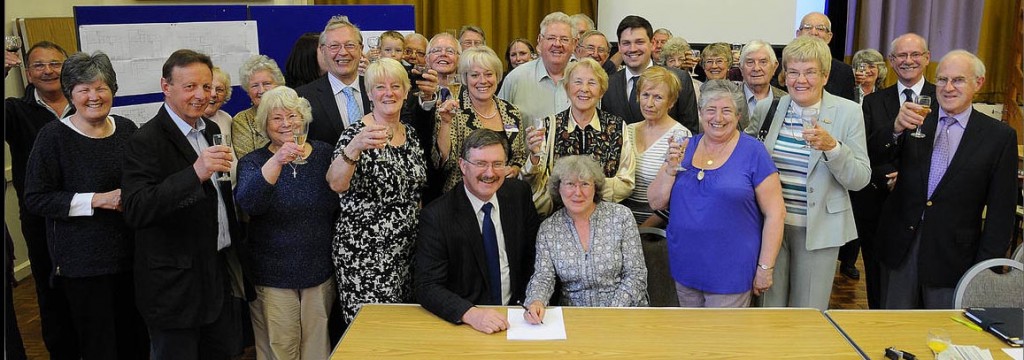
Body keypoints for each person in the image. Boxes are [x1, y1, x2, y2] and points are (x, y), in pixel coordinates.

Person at [122, 49, 246, 359]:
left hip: (216, 275)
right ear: (166, 86)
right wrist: (195, 173)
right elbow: (137, 208)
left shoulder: (213, 130)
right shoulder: (146, 140)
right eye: (190, 86)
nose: (202, 95)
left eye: (207, 86)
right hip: (174, 288)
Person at [24, 51, 147, 359]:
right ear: (71, 94)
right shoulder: (53, 137)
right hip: (83, 266)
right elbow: (37, 198)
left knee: (135, 340)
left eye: (101, 87)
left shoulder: (127, 129)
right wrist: (97, 200)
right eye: (84, 90)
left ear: (113, 91)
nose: (94, 96)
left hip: (132, 257)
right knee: (99, 345)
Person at [878, 50, 1017, 309]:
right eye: (942, 80)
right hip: (902, 249)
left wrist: (986, 269)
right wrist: (895, 128)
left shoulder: (998, 137)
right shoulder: (916, 120)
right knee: (893, 331)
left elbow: (1001, 211)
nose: (948, 87)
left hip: (955, 257)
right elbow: (876, 156)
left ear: (979, 83)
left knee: (943, 336)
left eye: (958, 80)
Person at [745, 36, 870, 310]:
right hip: (770, 228)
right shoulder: (769, 108)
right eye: (793, 72)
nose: (800, 80)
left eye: (810, 72)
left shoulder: (848, 112)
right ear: (784, 75)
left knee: (808, 313)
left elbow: (860, 178)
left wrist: (833, 148)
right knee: (769, 308)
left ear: (825, 76)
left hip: (820, 230)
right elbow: (745, 154)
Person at [648, 84, 785, 307]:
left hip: (732, 272)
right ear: (700, 114)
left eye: (727, 110)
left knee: (722, 339)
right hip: (686, 266)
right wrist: (670, 169)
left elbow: (776, 214)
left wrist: (765, 268)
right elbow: (655, 201)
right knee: (689, 336)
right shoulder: (683, 147)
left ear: (739, 115)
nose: (718, 117)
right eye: (711, 110)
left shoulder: (754, 152)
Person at [234, 86, 338, 359]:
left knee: (318, 347)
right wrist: (277, 161)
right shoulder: (253, 162)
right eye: (276, 118)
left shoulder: (324, 154)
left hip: (318, 269)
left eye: (292, 116)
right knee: (281, 347)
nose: (286, 124)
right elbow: (249, 204)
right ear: (264, 125)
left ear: (303, 119)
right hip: (273, 273)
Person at [326, 58, 427, 323]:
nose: (388, 93)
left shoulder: (412, 135)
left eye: (396, 86)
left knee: (403, 331)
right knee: (372, 332)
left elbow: (416, 193)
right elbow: (336, 183)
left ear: (406, 92)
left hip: (407, 253)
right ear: (369, 93)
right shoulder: (355, 134)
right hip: (366, 255)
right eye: (380, 87)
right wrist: (355, 148)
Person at [414, 129, 540, 334]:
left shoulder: (519, 194)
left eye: (497, 164)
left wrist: (536, 297)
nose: (490, 173)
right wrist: (471, 314)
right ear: (463, 165)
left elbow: (534, 256)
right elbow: (427, 286)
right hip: (468, 323)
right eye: (481, 164)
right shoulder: (437, 216)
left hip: (520, 319)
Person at [4, 40, 81, 360]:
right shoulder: (15, 110)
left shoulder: (86, 102)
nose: (48, 70)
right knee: (50, 293)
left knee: (88, 289)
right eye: (39, 65)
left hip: (88, 214)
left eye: (55, 63)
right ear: (27, 73)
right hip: (41, 220)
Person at [852, 33, 935, 308]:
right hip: (878, 205)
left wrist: (910, 176)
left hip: (923, 208)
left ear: (926, 58)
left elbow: (946, 149)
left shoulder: (942, 97)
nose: (908, 61)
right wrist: (895, 129)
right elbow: (867, 149)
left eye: (914, 55)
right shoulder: (875, 102)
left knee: (919, 283)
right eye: (901, 55)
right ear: (891, 61)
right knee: (878, 284)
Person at [523, 155, 648, 323]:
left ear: (595, 187)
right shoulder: (549, 228)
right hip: (575, 319)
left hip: (624, 314)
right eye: (570, 184)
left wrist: (611, 313)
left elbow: (636, 275)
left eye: (585, 184)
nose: (577, 192)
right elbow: (543, 276)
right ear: (558, 188)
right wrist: (536, 301)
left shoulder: (621, 216)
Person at [300, 16, 438, 146]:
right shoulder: (303, 98)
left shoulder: (384, 89)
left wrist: (426, 99)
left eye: (350, 45)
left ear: (361, 49)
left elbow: (414, 132)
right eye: (334, 46)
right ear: (322, 50)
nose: (343, 52)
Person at [522, 58, 634, 216]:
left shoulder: (616, 126)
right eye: (578, 82)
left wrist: (585, 192)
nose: (584, 89)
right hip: (558, 218)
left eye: (592, 83)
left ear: (601, 91)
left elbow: (626, 182)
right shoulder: (548, 125)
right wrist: (533, 157)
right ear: (567, 88)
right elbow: (532, 182)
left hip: (603, 217)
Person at [435, 46, 527, 192]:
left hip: (504, 193)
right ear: (465, 78)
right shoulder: (452, 111)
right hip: (463, 195)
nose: (483, 81)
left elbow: (519, 156)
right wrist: (446, 123)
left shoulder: (511, 111)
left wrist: (515, 169)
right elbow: (445, 161)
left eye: (488, 74)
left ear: (497, 76)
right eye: (475, 75)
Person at [601, 15, 698, 133]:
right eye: (626, 43)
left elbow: (691, 132)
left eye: (639, 42)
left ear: (652, 44)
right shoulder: (608, 84)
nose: (633, 49)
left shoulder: (679, 79)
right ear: (620, 47)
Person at [622, 66, 693, 227]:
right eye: (645, 95)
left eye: (658, 97)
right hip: (622, 222)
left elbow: (678, 198)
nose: (649, 103)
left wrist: (643, 230)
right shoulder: (628, 129)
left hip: (657, 230)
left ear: (671, 102)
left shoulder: (681, 137)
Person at [498, 11, 575, 122]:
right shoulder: (515, 78)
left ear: (574, 44)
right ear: (540, 41)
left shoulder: (584, 79)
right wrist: (515, 136)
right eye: (551, 38)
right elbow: (502, 121)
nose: (557, 44)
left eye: (564, 39)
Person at [232, 54, 285, 161]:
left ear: (279, 85)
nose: (261, 90)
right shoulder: (242, 120)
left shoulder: (292, 113)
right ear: (248, 91)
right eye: (255, 85)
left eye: (267, 83)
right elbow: (247, 161)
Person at [794, 12, 856, 101]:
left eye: (820, 28)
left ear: (829, 36)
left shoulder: (844, 72)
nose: (814, 32)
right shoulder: (782, 67)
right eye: (808, 27)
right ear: (798, 34)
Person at [740, 40, 787, 129]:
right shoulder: (730, 98)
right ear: (741, 68)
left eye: (763, 62)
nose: (756, 68)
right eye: (750, 62)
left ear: (775, 67)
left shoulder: (786, 100)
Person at [661, 37, 703, 102]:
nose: (677, 64)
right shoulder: (659, 85)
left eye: (681, 59)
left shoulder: (698, 86)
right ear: (665, 63)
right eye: (671, 60)